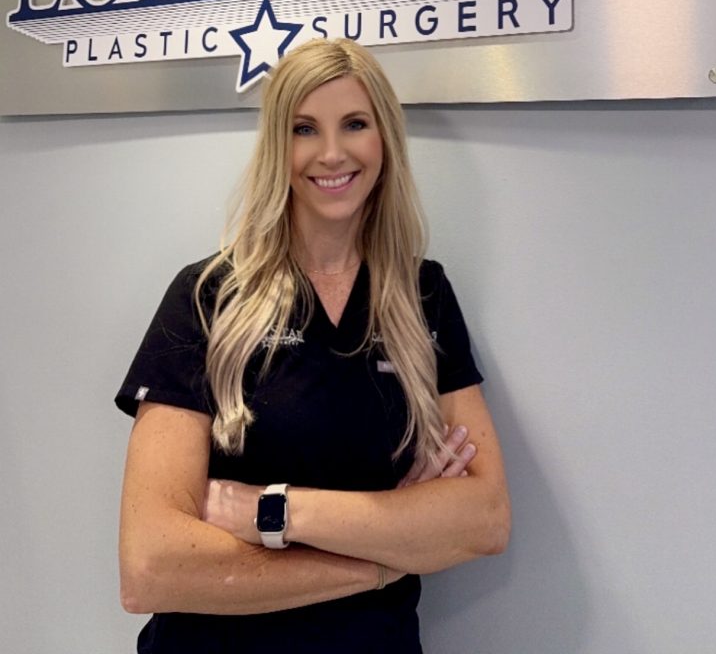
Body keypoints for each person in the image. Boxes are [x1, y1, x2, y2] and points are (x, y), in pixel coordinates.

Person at [116, 37, 510, 654]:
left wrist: (270, 514)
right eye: (304, 128)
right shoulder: (207, 296)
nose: (331, 153)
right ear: (278, 145)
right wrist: (387, 553)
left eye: (354, 124)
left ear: (384, 140)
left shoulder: (421, 294)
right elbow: (151, 567)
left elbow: (484, 519)